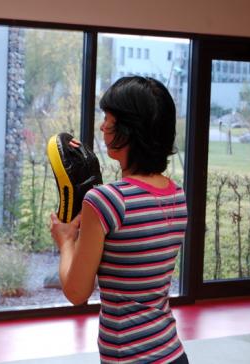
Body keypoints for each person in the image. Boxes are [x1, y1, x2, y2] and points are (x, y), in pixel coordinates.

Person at [50, 76, 189, 363]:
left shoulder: (106, 201)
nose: (102, 126)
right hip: (172, 353)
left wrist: (65, 241)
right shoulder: (177, 194)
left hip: (128, 357)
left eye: (108, 118)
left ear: (128, 129)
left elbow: (77, 292)